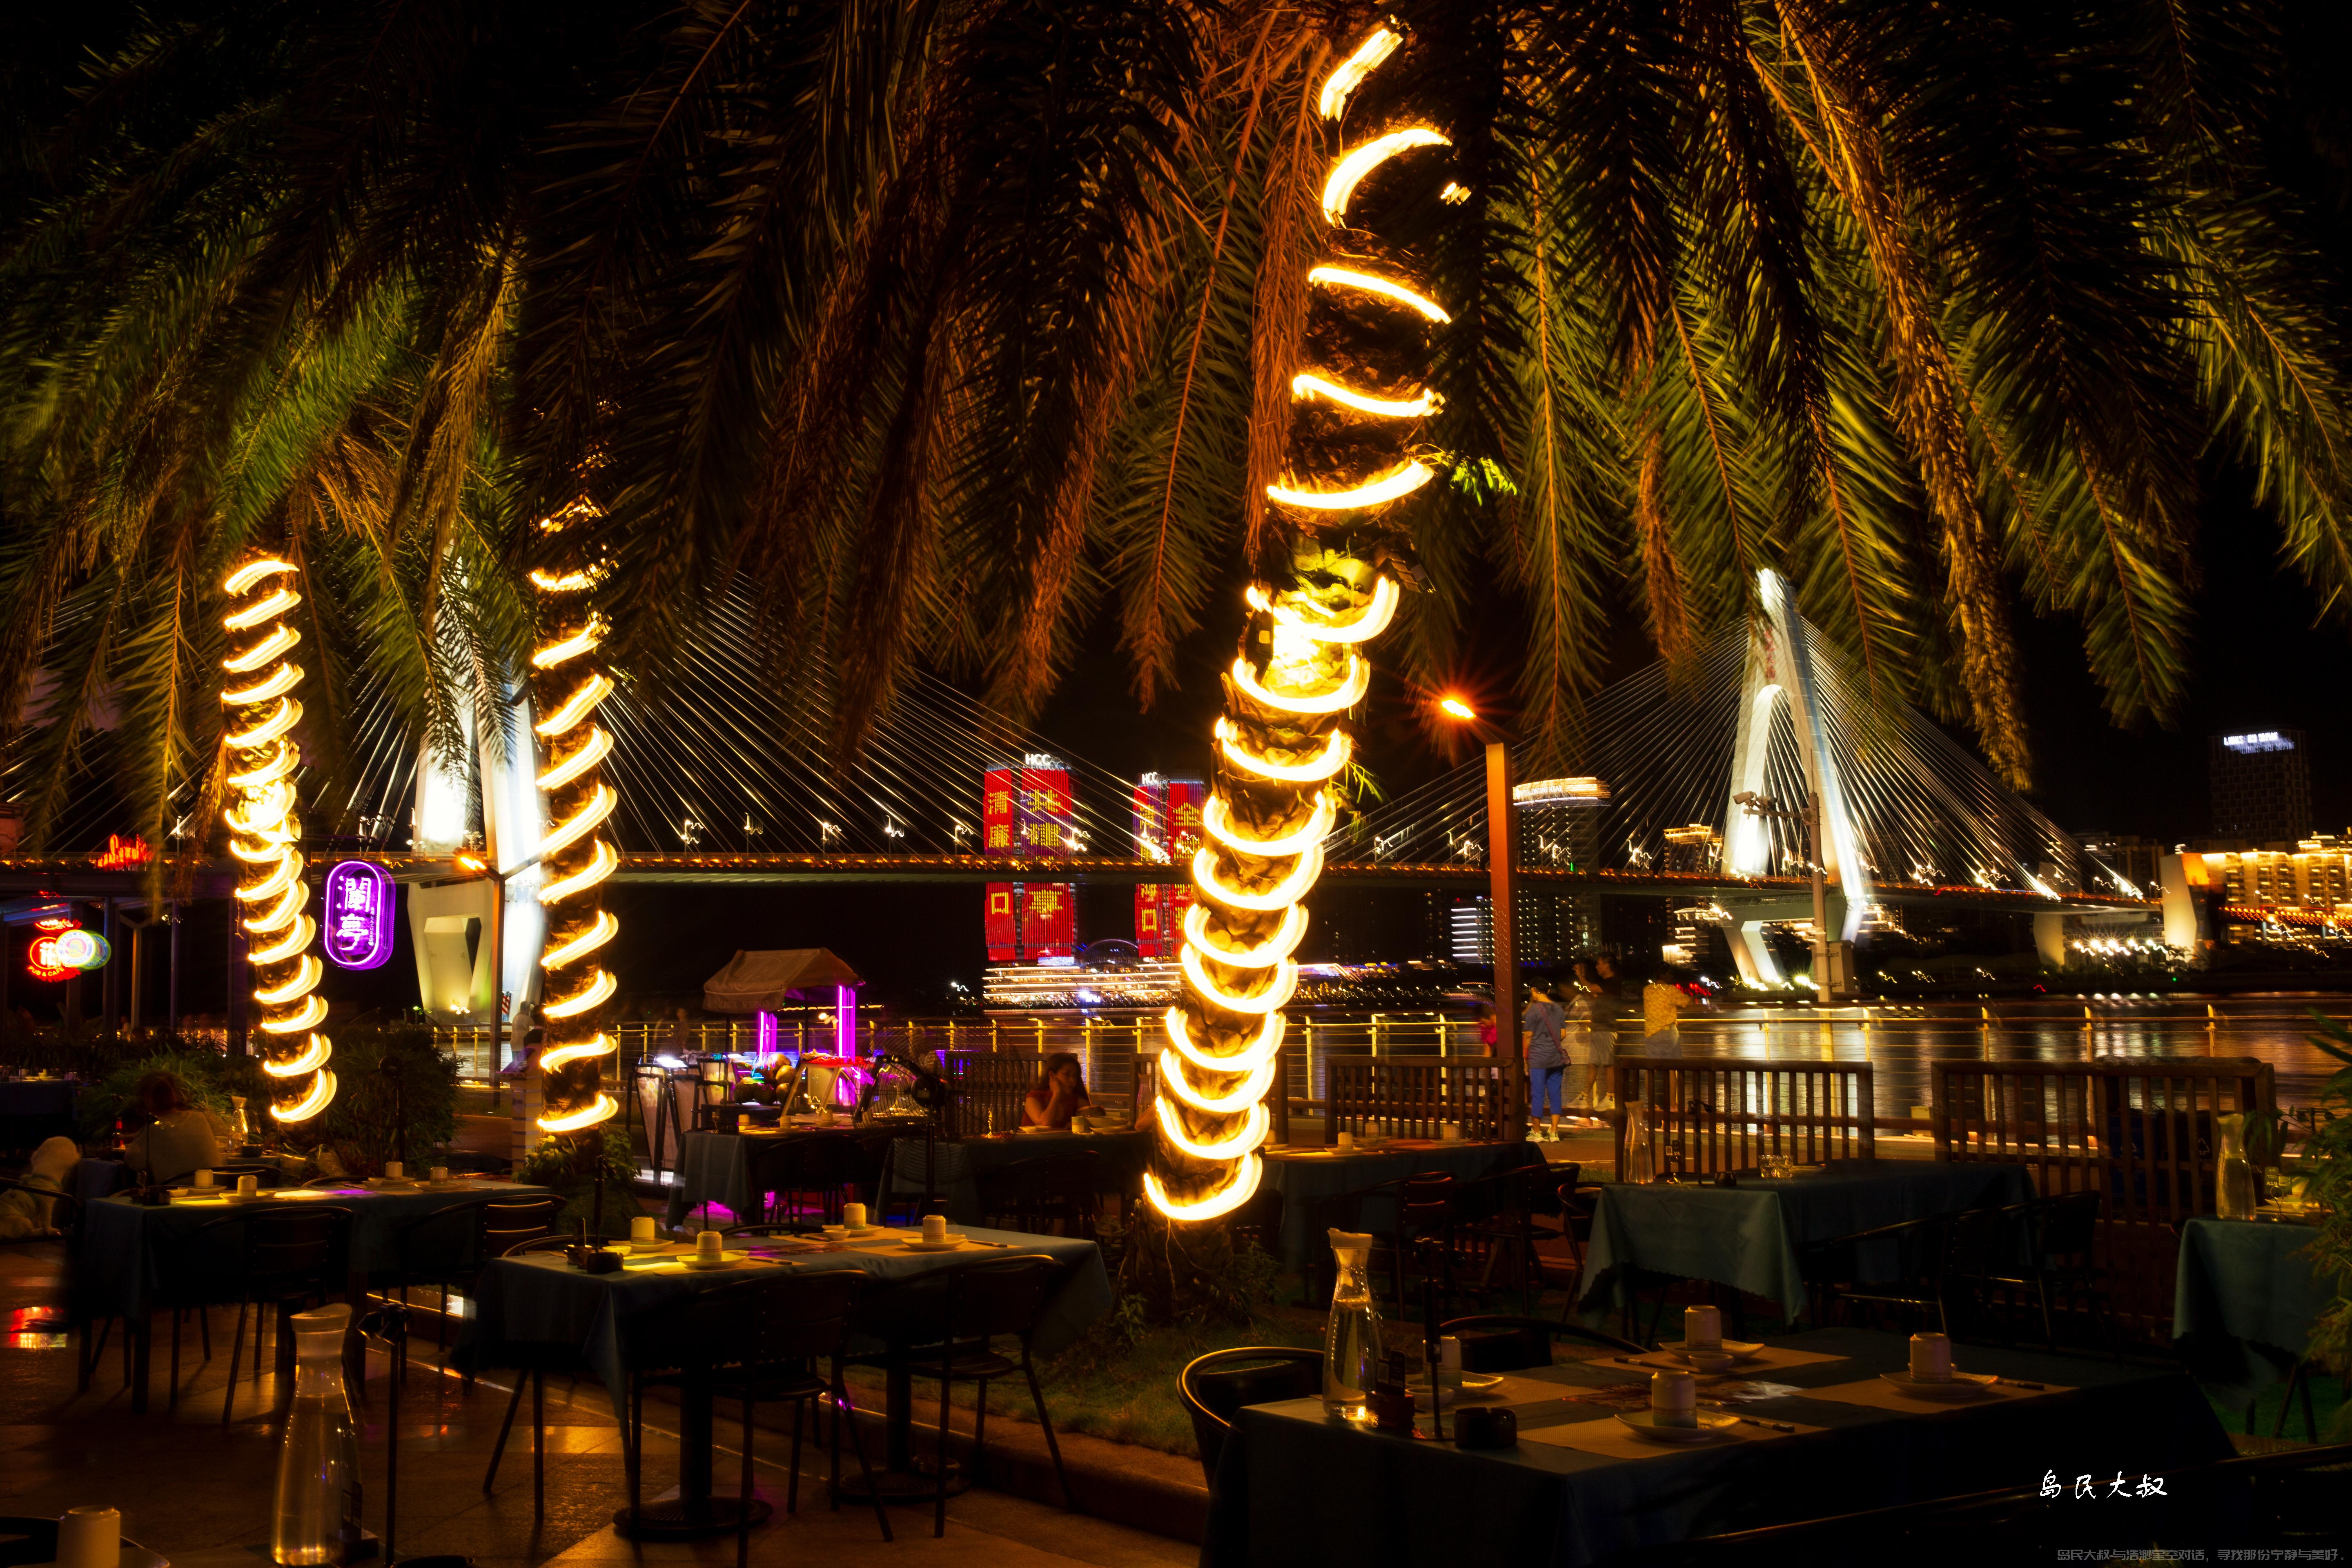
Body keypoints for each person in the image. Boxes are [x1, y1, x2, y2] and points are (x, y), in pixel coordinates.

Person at [121, 1070, 232, 1185]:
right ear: (174, 1095)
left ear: (147, 1100)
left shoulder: (156, 1129)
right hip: (218, 1189)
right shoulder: (199, 1118)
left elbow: (133, 1161)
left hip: (179, 1193)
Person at [1521, 985, 1568, 1140]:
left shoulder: (1533, 1010)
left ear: (1534, 990)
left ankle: (1537, 1131)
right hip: (1556, 1058)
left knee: (1538, 1094)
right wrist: (1551, 1045)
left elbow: (1528, 1035)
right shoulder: (1558, 1009)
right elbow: (1563, 1034)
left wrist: (1525, 1056)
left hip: (1538, 1058)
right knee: (1555, 1094)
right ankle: (1554, 1132)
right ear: (1548, 991)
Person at [1022, 1052, 1093, 1129]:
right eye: (1067, 1074)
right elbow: (1044, 1124)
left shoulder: (1074, 1100)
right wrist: (1056, 1094)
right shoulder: (1033, 1098)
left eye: (1075, 1076)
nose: (1072, 1080)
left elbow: (1094, 1118)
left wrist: (1078, 1124)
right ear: (1052, 1075)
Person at [1642, 969, 1699, 1055]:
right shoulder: (1670, 990)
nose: (1672, 976)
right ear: (1662, 975)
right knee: (1673, 1060)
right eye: (1670, 974)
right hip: (1667, 1032)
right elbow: (1686, 1001)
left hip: (1651, 1032)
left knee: (1654, 1061)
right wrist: (1694, 1000)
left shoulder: (1647, 990)